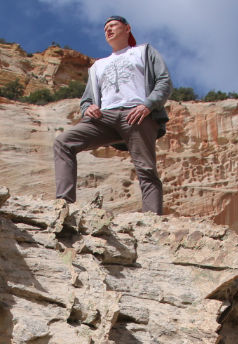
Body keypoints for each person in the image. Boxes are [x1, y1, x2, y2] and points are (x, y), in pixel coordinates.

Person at [53, 15, 172, 214]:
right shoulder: (98, 66)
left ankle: (152, 220)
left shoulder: (144, 52)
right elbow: (86, 100)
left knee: (146, 169)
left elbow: (164, 82)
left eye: (113, 25)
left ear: (127, 28)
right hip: (104, 117)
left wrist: (148, 106)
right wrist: (87, 108)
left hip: (137, 114)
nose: (108, 30)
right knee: (63, 142)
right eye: (105, 28)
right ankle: (63, 205)